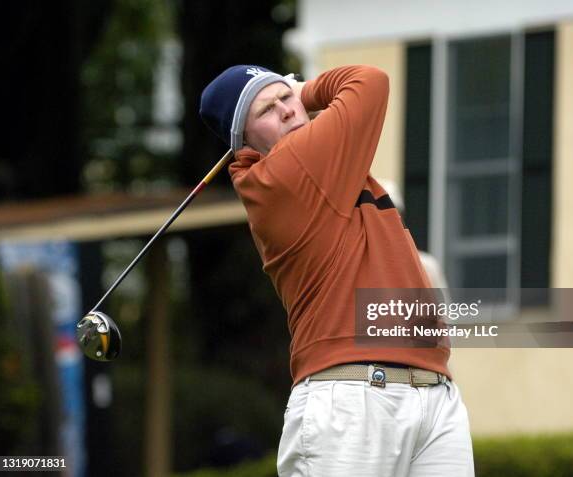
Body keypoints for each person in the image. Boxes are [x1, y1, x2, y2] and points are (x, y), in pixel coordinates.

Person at [200, 64, 474, 476]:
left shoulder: (330, 168)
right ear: (245, 144)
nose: (287, 110)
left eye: (284, 98)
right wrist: (304, 90)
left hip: (431, 392)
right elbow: (369, 82)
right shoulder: (287, 170)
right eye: (266, 111)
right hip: (352, 398)